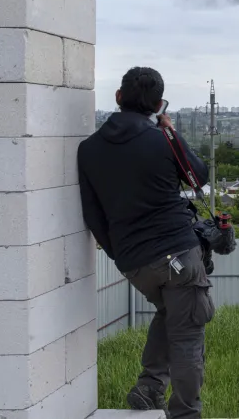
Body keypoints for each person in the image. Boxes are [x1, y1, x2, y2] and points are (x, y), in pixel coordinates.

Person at [77, 67, 214, 419]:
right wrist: (170, 131)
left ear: (119, 97)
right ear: (157, 105)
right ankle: (185, 414)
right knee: (186, 333)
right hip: (179, 254)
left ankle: (150, 387)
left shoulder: (88, 150)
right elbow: (199, 176)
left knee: (170, 313)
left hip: (135, 263)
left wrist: (122, 255)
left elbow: (93, 216)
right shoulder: (160, 139)